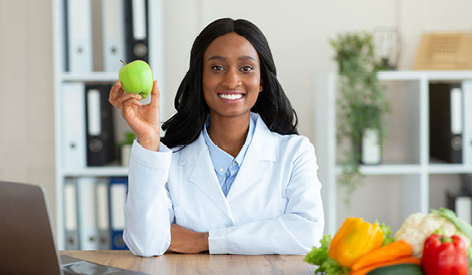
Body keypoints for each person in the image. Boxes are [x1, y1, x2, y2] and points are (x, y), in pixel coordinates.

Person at [108, 18, 324, 257]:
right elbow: (146, 244)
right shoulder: (169, 158)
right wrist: (148, 140)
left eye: (246, 68)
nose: (232, 81)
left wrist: (207, 240)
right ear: (200, 78)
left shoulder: (295, 152)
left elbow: (308, 234)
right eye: (217, 68)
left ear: (261, 80)